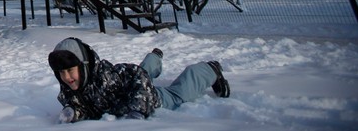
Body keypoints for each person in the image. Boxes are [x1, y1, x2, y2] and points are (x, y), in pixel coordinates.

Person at [47, 37, 230, 123]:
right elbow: (87, 108)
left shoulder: (106, 77)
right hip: (128, 91)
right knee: (142, 72)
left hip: (148, 98)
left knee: (179, 94)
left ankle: (209, 69)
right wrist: (74, 112)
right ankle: (154, 58)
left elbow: (137, 75)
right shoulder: (69, 92)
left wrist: (138, 108)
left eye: (70, 70)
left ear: (84, 66)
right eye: (61, 73)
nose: (67, 77)